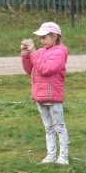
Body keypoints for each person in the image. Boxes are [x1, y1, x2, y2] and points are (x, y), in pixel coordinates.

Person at [21, 22, 69, 165]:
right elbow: (31, 69)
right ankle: (51, 155)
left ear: (54, 36)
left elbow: (46, 69)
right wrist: (26, 54)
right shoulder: (40, 52)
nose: (41, 40)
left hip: (53, 96)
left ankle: (63, 157)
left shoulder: (60, 52)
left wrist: (34, 53)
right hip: (40, 96)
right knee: (48, 127)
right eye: (40, 38)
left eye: (44, 37)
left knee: (59, 126)